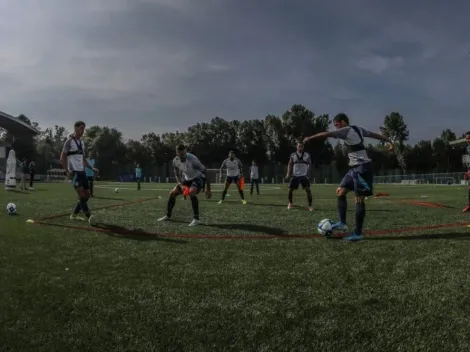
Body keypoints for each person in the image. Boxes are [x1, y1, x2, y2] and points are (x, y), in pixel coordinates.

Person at [303, 113, 393, 241]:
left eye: (337, 124)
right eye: (335, 125)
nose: (336, 127)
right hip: (354, 169)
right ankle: (342, 223)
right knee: (341, 191)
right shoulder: (358, 129)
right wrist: (388, 140)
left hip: (362, 168)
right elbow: (373, 135)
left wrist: (310, 138)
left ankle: (357, 233)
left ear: (343, 122)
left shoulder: (345, 130)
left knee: (359, 199)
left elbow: (327, 134)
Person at [158, 144, 211, 226]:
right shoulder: (175, 161)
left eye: (184, 154)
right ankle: (168, 215)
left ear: (186, 151)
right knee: (172, 193)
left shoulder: (193, 160)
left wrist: (208, 189)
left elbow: (205, 172)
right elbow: (177, 175)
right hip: (187, 179)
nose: (183, 156)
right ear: (177, 153)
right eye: (180, 154)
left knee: (192, 192)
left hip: (198, 177)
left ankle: (196, 219)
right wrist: (181, 185)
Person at [60, 121, 99, 226]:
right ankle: (89, 216)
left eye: (84, 128)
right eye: (81, 128)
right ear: (75, 128)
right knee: (81, 193)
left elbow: (83, 159)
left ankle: (74, 214)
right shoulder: (69, 142)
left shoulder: (82, 142)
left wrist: (92, 168)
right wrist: (67, 171)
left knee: (87, 195)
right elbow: (62, 157)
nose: (83, 131)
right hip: (74, 173)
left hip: (82, 172)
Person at [285, 142, 313, 211]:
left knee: (308, 190)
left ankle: (310, 206)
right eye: (299, 146)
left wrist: (308, 173)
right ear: (296, 147)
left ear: (303, 147)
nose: (300, 148)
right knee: (290, 190)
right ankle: (290, 203)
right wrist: (288, 174)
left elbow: (310, 163)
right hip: (295, 175)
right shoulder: (293, 155)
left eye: (302, 147)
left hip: (303, 175)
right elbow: (290, 164)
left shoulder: (306, 155)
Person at [462, 132, 470, 212]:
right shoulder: (468, 148)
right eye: (467, 138)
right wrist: (468, 171)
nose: (468, 140)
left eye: (469, 138)